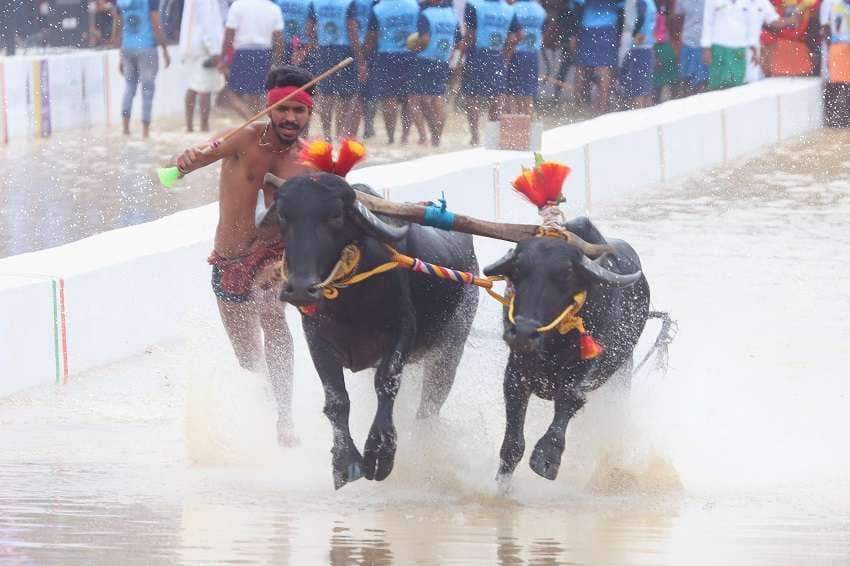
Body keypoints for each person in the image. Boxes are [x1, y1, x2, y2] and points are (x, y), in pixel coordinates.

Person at [173, 66, 316, 446]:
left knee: (272, 313)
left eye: (298, 111)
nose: (290, 118)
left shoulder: (311, 161)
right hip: (229, 260)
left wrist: (286, 264)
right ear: (269, 109)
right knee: (247, 359)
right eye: (283, 109)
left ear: (309, 114)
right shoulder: (241, 138)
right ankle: (270, 401)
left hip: (274, 258)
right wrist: (184, 161)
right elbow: (187, 163)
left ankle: (285, 419)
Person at [460, 0, 522, 145]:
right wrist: (506, 52)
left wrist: (459, 59)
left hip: (477, 54)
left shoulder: (474, 5)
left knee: (472, 96)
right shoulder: (509, 9)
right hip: (497, 55)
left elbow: (470, 36)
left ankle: (475, 136)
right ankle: (493, 137)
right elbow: (519, 35)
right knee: (497, 96)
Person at [300, 0, 360, 138]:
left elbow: (309, 29)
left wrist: (317, 42)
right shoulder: (349, 2)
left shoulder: (315, 3)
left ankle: (327, 135)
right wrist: (359, 56)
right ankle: (339, 133)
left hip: (324, 50)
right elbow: (352, 29)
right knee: (345, 96)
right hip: (345, 50)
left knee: (327, 95)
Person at [113, 0, 172, 138]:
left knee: (129, 87)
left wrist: (120, 54)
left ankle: (125, 130)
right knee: (147, 90)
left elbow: (118, 25)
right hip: (146, 47)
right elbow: (155, 22)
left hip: (127, 47)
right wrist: (164, 49)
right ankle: (145, 132)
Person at [365, 0, 421, 143]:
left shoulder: (378, 8)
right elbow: (423, 31)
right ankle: (405, 137)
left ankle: (390, 138)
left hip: (386, 56)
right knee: (409, 98)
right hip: (411, 55)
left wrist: (363, 57)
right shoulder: (415, 5)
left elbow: (372, 37)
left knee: (388, 98)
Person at [218, 0, 284, 119]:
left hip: (243, 52)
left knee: (230, 94)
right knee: (255, 95)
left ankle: (251, 122)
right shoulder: (273, 8)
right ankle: (255, 126)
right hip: (264, 53)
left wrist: (223, 60)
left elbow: (229, 35)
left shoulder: (238, 5)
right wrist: (275, 63)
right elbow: (279, 41)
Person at [408, 0, 461, 145]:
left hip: (423, 60)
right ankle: (437, 138)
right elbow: (458, 43)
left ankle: (423, 136)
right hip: (442, 61)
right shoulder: (452, 15)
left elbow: (425, 39)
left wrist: (414, 49)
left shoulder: (426, 14)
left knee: (415, 99)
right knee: (438, 98)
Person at [179, 0, 226, 132]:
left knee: (193, 85)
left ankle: (189, 127)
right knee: (205, 88)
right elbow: (208, 25)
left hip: (192, 45)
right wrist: (215, 51)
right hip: (204, 47)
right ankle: (204, 127)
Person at [573, 0, 625, 113]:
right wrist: (620, 33)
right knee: (604, 67)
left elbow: (577, 7)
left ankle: (579, 105)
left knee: (582, 67)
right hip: (608, 28)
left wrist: (573, 33)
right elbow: (621, 10)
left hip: (587, 27)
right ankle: (602, 106)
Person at [700, 0, 759, 89]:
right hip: (718, 47)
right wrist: (706, 48)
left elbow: (751, 24)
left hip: (739, 47)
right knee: (717, 83)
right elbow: (707, 22)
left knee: (737, 81)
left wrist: (754, 48)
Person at [506, 0, 547, 115]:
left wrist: (505, 55)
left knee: (510, 94)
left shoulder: (513, 8)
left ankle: (513, 125)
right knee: (528, 96)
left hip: (515, 53)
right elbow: (543, 32)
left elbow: (511, 35)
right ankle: (528, 126)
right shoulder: (541, 10)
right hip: (532, 54)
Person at [619, 0, 656, 107]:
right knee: (645, 87)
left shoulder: (642, 2)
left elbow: (641, 15)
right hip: (648, 46)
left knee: (638, 89)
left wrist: (635, 33)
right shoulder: (651, 2)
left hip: (639, 47)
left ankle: (638, 115)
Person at [821, 0, 850, 126]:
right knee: (838, 84)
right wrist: (827, 53)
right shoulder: (830, 3)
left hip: (841, 48)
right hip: (838, 48)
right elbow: (826, 29)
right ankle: (836, 121)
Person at [673, 0, 708, 94]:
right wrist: (677, 42)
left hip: (705, 44)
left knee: (703, 81)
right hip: (687, 42)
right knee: (686, 79)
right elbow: (677, 19)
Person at [653, 0, 678, 101]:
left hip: (667, 46)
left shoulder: (666, 8)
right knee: (657, 83)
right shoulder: (651, 7)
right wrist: (655, 54)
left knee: (673, 80)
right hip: (655, 46)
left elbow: (672, 29)